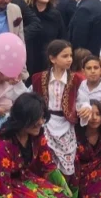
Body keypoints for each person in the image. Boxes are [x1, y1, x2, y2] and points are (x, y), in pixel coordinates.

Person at [31, 40, 88, 178]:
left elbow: (83, 101)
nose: (69, 59)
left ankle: (64, 194)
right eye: (65, 56)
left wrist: (86, 109)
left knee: (67, 162)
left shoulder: (78, 79)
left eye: (70, 56)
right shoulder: (38, 78)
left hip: (66, 124)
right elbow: (29, 98)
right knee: (46, 160)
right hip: (45, 124)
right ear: (52, 58)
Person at [24, 0, 67, 78]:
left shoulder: (55, 15)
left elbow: (62, 38)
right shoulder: (25, 13)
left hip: (48, 62)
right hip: (29, 61)